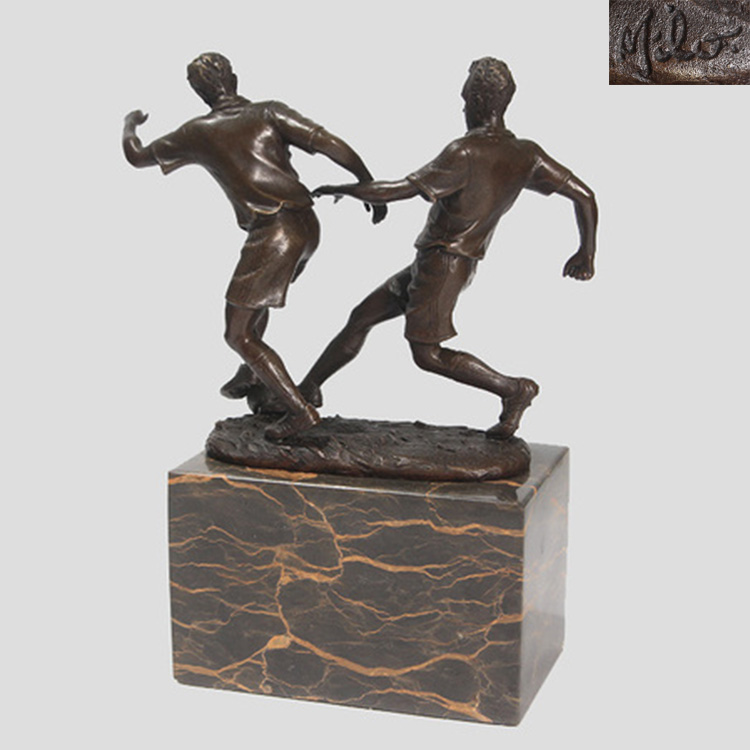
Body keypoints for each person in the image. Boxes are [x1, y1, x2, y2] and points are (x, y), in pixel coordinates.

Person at [301, 57, 597, 439]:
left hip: (444, 264)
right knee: (362, 316)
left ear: (477, 100)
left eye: (464, 97)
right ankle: (308, 389)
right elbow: (585, 196)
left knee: (428, 355)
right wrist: (586, 253)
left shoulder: (465, 153)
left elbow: (398, 190)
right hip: (436, 262)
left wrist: (345, 189)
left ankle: (513, 389)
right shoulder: (526, 154)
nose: (461, 103)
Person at [122, 52, 385, 439]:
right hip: (307, 227)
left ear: (198, 92)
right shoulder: (268, 111)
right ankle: (251, 372)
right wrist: (367, 183)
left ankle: (300, 412)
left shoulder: (197, 132)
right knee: (253, 305)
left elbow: (136, 156)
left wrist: (130, 123)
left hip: (273, 233)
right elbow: (329, 143)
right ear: (234, 78)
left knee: (237, 334)